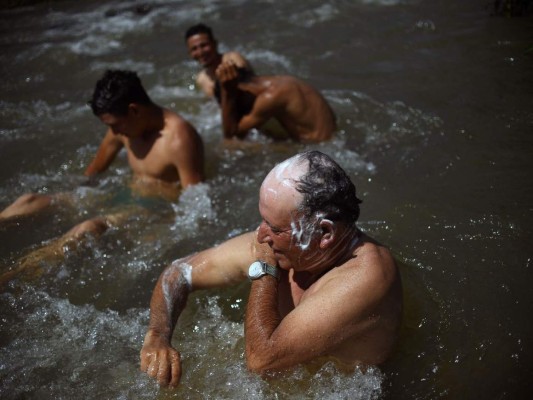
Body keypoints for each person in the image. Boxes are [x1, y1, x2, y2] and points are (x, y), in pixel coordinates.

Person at [140, 150, 402, 387]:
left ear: (324, 233)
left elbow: (261, 362)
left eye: (275, 228)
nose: (261, 235)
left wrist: (263, 268)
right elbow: (179, 272)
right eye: (263, 220)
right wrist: (158, 336)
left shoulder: (364, 276)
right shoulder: (290, 244)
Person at [0, 70, 204, 282]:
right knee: (29, 201)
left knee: (88, 227)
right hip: (125, 192)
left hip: (153, 209)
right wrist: (74, 197)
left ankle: (11, 277)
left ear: (133, 110)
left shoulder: (180, 139)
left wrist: (166, 232)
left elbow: (195, 201)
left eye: (114, 125)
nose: (113, 132)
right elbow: (92, 175)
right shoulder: (124, 128)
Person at [215, 61, 337, 143]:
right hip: (330, 140)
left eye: (238, 105)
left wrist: (228, 94)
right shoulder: (279, 82)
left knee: (235, 146)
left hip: (318, 148)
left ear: (242, 91)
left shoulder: (270, 97)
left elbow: (232, 136)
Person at [185, 23, 254, 100]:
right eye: (194, 49)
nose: (200, 52)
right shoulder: (201, 79)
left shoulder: (233, 59)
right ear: (190, 53)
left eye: (204, 45)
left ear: (215, 44)